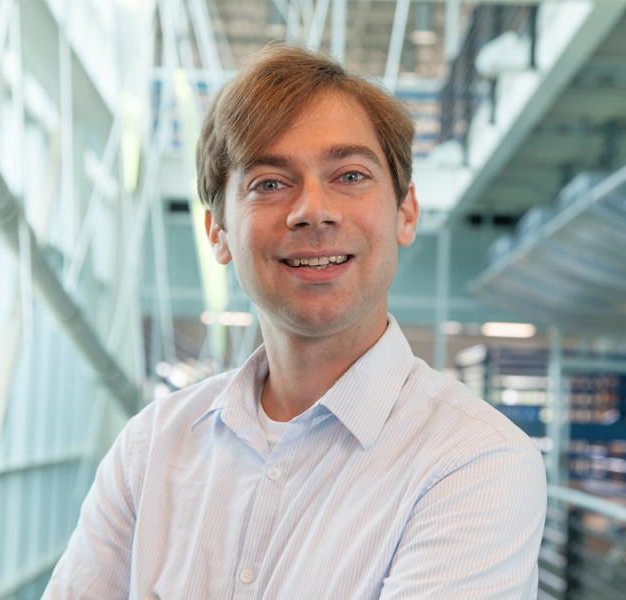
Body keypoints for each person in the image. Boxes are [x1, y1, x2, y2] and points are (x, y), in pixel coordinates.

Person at [43, 44, 546, 600]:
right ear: (218, 232)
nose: (312, 209)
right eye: (270, 183)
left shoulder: (476, 461)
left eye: (350, 175)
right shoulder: (148, 449)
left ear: (405, 212)